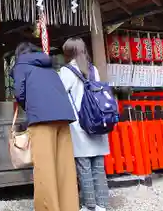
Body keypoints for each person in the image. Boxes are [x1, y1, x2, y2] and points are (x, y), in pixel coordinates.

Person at [10, 42, 79, 211]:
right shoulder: (48, 65)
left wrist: (31, 107)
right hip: (64, 117)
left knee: (44, 169)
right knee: (65, 168)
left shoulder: (21, 64)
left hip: (42, 119)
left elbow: (19, 93)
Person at [59, 38, 110, 211]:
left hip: (79, 125)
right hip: (98, 122)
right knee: (98, 166)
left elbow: (60, 95)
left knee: (84, 167)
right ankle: (102, 204)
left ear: (68, 52)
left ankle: (89, 206)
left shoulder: (67, 71)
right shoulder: (93, 68)